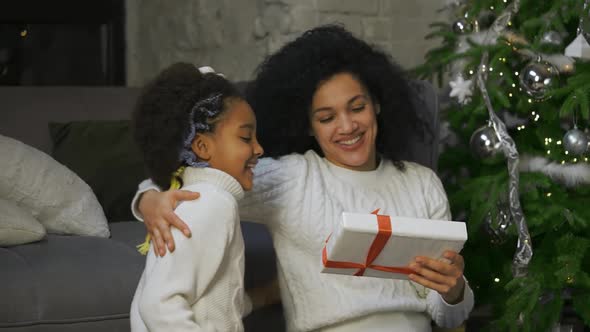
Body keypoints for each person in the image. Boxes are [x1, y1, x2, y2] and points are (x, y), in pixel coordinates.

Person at [133, 25, 474, 331]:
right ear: (308, 125)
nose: (347, 126)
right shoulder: (292, 178)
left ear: (378, 105)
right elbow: (193, 182)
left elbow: (449, 317)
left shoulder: (422, 183)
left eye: (357, 108)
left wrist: (453, 291)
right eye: (326, 117)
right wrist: (149, 201)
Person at [129, 62, 264, 332]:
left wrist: (266, 296)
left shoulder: (194, 197)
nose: (259, 149)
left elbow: (213, 303)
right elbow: (159, 305)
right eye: (246, 137)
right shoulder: (212, 202)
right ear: (202, 146)